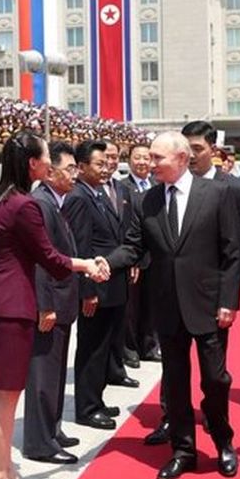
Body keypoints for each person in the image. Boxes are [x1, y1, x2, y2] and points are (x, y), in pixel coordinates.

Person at [0, 131, 108, 479]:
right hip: (13, 305)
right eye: (46, 157)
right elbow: (50, 258)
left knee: (7, 396)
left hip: (3, 301)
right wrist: (86, 264)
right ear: (32, 164)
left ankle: (6, 471)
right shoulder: (25, 205)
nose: (51, 163)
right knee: (4, 398)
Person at [106, 132, 240, 479]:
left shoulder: (216, 194)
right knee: (176, 383)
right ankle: (184, 451)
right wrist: (104, 263)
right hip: (167, 307)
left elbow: (232, 252)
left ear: (182, 158)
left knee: (216, 379)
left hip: (209, 306)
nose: (150, 164)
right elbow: (133, 247)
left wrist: (229, 301)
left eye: (157, 158)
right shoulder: (146, 200)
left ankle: (224, 441)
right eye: (149, 158)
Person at [64, 140, 132, 433]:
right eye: (98, 164)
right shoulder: (79, 197)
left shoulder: (101, 194)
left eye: (107, 164)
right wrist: (87, 290)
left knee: (105, 346)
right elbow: (79, 246)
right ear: (81, 168)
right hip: (95, 287)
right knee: (91, 348)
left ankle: (97, 399)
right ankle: (87, 407)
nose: (105, 169)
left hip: (112, 284)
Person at [22, 141, 83, 465]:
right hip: (50, 304)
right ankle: (39, 441)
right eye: (69, 168)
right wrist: (44, 305)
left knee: (56, 372)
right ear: (50, 171)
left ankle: (52, 429)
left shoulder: (55, 202)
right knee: (43, 375)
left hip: (63, 301)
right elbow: (40, 260)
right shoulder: (41, 203)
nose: (75, 174)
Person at [102, 140, 142, 381]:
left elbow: (130, 229)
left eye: (114, 156)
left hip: (122, 264)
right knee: (100, 328)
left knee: (120, 318)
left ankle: (117, 369)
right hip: (97, 266)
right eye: (105, 156)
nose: (110, 160)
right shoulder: (85, 190)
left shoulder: (121, 189)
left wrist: (132, 260)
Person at [121, 142, 160, 363]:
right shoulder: (122, 187)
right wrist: (132, 258)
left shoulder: (157, 184)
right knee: (132, 306)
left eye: (146, 157)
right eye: (138, 157)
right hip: (134, 256)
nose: (143, 162)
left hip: (156, 256)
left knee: (152, 305)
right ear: (129, 160)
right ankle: (130, 349)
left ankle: (149, 346)